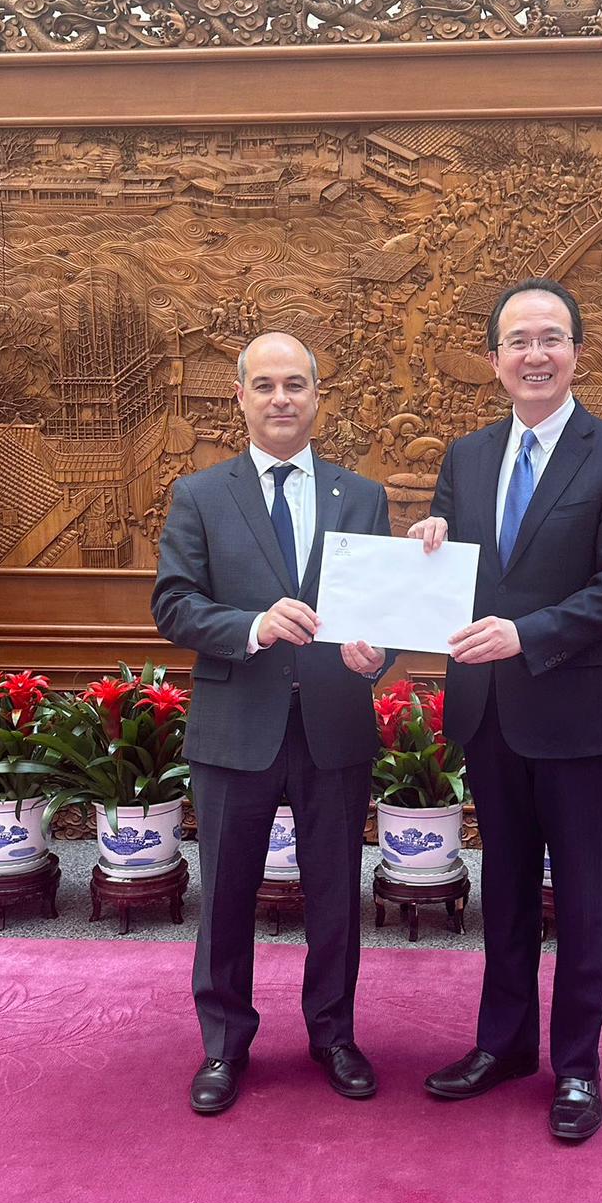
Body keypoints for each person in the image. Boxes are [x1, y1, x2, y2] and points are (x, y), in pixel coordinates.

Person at [409, 279, 602, 1142]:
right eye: (518, 341)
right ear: (495, 360)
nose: (535, 354)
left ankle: (578, 1067)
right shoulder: (467, 456)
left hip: (576, 710)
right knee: (506, 886)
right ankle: (505, 1044)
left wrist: (528, 634)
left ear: (577, 352)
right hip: (490, 713)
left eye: (551, 338)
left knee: (583, 896)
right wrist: (427, 543)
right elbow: (453, 566)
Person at [152, 331, 390, 1114]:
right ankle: (224, 1045)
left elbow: (381, 613)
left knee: (336, 896)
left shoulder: (361, 496)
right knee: (225, 896)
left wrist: (377, 657)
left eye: (295, 384)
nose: (280, 398)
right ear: (241, 398)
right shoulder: (200, 495)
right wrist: (252, 626)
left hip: (333, 724)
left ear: (318, 395)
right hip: (235, 726)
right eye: (265, 385)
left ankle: (334, 1036)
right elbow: (173, 605)